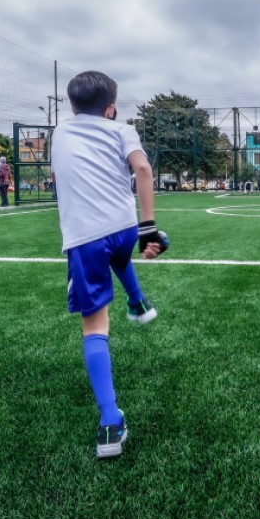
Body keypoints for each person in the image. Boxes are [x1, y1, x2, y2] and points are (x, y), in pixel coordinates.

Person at [52, 70, 168, 459]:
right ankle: (138, 301)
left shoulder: (59, 132)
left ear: (72, 107)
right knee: (118, 254)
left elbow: (58, 174)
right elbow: (143, 170)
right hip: (125, 228)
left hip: (85, 237)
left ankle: (110, 421)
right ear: (111, 109)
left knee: (94, 326)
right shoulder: (123, 130)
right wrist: (148, 228)